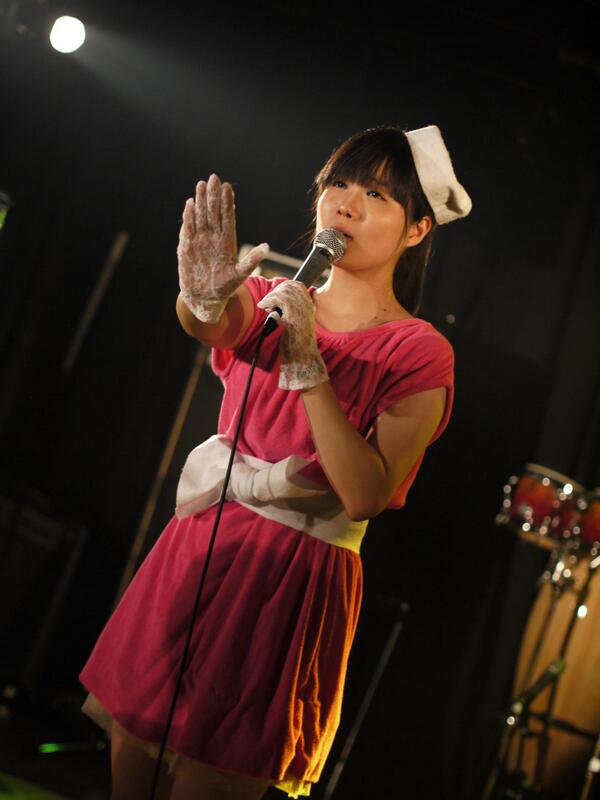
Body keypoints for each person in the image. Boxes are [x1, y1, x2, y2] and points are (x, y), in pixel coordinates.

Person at [79, 124, 471, 799]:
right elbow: (211, 321)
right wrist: (202, 293)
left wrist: (310, 367)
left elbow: (365, 493)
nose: (346, 203)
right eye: (338, 184)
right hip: (201, 548)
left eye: (377, 194)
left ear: (417, 230)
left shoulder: (418, 350)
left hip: (289, 575)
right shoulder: (273, 296)